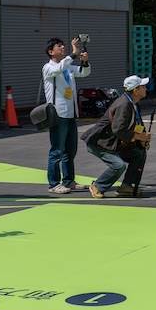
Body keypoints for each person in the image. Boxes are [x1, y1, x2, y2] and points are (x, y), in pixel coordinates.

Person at [84, 75, 152, 199]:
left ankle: (126, 186)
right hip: (101, 142)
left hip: (113, 142)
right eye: (143, 87)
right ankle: (98, 186)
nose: (146, 89)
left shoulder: (133, 103)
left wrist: (142, 138)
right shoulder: (124, 104)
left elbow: (135, 125)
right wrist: (139, 137)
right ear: (136, 90)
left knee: (139, 154)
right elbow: (118, 130)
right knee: (119, 165)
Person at [43, 37, 90, 194]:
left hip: (70, 113)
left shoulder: (67, 66)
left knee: (70, 150)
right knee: (57, 149)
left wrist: (84, 61)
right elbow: (59, 68)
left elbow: (84, 73)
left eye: (63, 46)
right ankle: (54, 183)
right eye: (59, 46)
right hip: (57, 113)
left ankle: (69, 181)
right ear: (51, 52)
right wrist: (74, 54)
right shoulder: (48, 68)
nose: (62, 47)